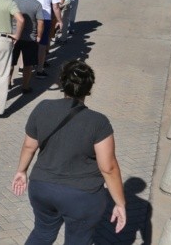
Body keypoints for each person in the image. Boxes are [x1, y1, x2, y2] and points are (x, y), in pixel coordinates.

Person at [12, 60, 127, 244]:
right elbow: (108, 168)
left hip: (42, 188)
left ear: (61, 83)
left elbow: (29, 146)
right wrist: (120, 203)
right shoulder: (98, 122)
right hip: (81, 196)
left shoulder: (42, 107)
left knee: (42, 233)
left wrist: (21, 171)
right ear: (89, 89)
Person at [11, 0, 44, 93]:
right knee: (28, 64)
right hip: (30, 38)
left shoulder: (13, 1)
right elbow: (40, 22)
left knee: (11, 62)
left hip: (13, 36)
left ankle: (7, 83)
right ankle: (25, 87)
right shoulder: (36, 4)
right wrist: (39, 36)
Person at [30, 0, 62, 79]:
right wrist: (59, 20)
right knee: (42, 45)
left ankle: (23, 66)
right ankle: (39, 68)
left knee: (28, 42)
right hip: (45, 18)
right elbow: (56, 7)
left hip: (31, 17)